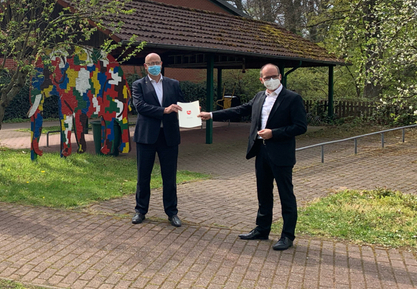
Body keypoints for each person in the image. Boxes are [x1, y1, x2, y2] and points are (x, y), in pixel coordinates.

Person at [198, 63, 307, 251]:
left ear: (280, 77)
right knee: (263, 193)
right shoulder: (259, 97)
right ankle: (262, 229)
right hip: (261, 152)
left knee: (286, 194)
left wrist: (275, 133)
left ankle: (287, 235)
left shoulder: (292, 98)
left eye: (274, 76)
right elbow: (239, 110)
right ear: (261, 79)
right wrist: (211, 114)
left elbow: (300, 126)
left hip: (281, 154)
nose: (271, 80)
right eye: (267, 77)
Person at [131, 53, 185, 227]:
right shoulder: (138, 85)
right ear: (145, 66)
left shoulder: (173, 84)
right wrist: (164, 110)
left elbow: (182, 104)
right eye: (150, 63)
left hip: (168, 136)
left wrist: (192, 109)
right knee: (143, 176)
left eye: (157, 62)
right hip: (146, 137)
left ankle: (172, 212)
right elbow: (140, 106)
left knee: (169, 177)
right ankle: (140, 210)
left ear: (161, 64)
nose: (154, 65)